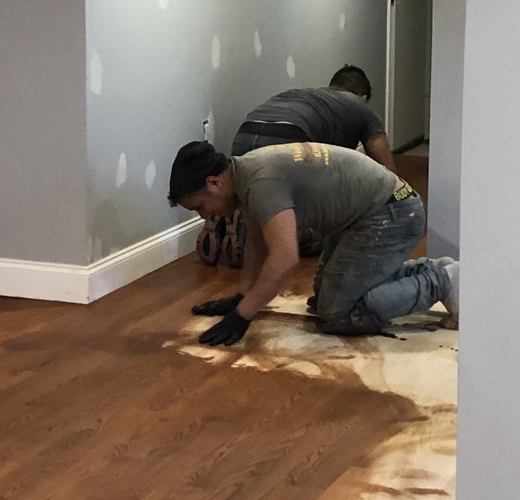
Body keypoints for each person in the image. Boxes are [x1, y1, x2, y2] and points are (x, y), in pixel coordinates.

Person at [168, 139, 458, 345]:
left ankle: (442, 279)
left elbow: (285, 257)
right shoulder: (246, 174)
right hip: (365, 217)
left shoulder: (260, 183)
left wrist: (242, 316)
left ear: (213, 183)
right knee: (322, 302)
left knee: (339, 314)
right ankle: (427, 270)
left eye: (199, 207)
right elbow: (257, 242)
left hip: (391, 213)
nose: (205, 215)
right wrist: (244, 297)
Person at [229, 66, 395, 170]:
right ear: (363, 96)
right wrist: (402, 195)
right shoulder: (359, 105)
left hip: (245, 133)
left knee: (248, 198)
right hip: (290, 135)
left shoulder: (310, 95)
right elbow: (385, 167)